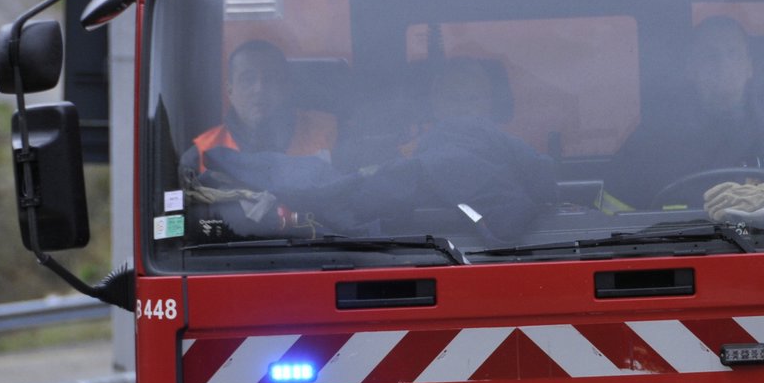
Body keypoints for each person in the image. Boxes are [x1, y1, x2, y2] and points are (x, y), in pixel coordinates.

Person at [201, 56, 555, 241]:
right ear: (433, 101)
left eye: (472, 97)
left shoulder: (507, 150)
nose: (462, 107)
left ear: (492, 103)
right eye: (452, 97)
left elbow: (533, 191)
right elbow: (339, 180)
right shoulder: (392, 148)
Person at [179, 39, 341, 234]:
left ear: (286, 87)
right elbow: (180, 235)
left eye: (271, 78)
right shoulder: (199, 155)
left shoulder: (332, 133)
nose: (259, 88)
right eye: (248, 79)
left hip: (323, 254)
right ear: (230, 90)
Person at [609, 16, 764, 208]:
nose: (723, 66)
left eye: (733, 54)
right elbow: (611, 221)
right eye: (710, 56)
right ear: (691, 68)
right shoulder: (652, 138)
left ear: (749, 66)